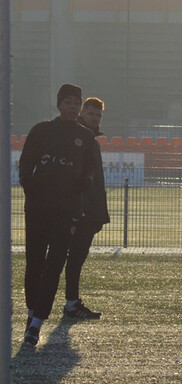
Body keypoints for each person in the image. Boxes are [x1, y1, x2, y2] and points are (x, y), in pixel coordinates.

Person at [19, 84, 99, 348]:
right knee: (34, 264)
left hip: (66, 211)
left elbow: (89, 172)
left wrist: (81, 187)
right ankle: (31, 314)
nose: (73, 107)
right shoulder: (41, 131)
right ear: (59, 105)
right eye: (68, 102)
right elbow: (25, 164)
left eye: (77, 102)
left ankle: (37, 324)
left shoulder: (85, 138)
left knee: (54, 266)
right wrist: (31, 191)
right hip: (38, 209)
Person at [63, 97, 110, 320]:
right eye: (91, 114)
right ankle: (69, 303)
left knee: (75, 258)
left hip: (88, 211)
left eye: (98, 115)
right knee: (72, 258)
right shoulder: (79, 139)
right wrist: (82, 210)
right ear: (82, 113)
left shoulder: (90, 140)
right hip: (80, 210)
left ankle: (70, 302)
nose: (95, 118)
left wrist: (99, 214)